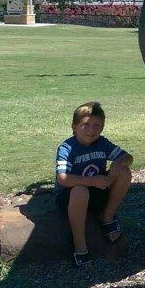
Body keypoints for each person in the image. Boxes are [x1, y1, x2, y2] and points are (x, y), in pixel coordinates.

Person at [55, 101, 133, 267]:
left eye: (97, 125)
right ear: (74, 127)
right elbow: (62, 178)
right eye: (86, 125)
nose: (91, 130)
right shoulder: (67, 148)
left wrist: (117, 164)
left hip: (97, 189)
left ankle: (107, 216)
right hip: (71, 197)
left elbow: (127, 157)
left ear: (102, 127)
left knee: (125, 172)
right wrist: (92, 181)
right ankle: (80, 245)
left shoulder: (102, 143)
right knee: (80, 190)